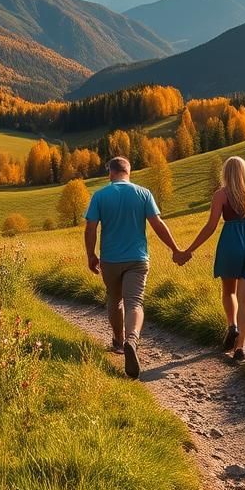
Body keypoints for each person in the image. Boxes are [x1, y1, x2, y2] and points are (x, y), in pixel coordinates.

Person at [84, 156, 188, 379]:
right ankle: (132, 339)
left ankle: (118, 342)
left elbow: (90, 228)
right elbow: (158, 224)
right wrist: (175, 249)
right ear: (128, 172)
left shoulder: (100, 195)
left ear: (110, 173)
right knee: (135, 302)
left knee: (115, 299)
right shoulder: (143, 193)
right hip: (137, 259)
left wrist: (91, 255)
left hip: (110, 260)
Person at [174, 156, 245, 364]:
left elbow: (210, 226)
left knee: (229, 291)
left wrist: (189, 250)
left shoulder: (221, 195)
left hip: (230, 246)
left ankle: (232, 326)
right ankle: (241, 348)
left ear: (226, 173)